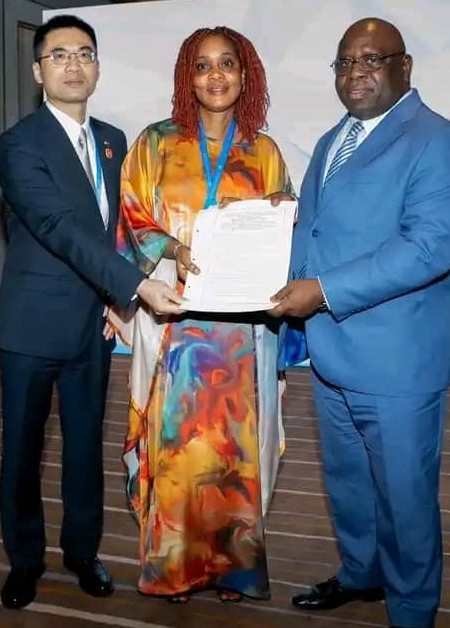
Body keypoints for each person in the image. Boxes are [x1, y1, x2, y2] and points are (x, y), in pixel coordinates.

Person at [270, 17, 450, 628]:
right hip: (333, 353)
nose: (355, 74)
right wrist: (280, 221)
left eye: (371, 60)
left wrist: (322, 292)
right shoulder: (332, 140)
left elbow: (429, 248)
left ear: (404, 68)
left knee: (405, 500)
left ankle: (413, 610)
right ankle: (361, 574)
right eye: (345, 62)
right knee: (349, 485)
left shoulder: (435, 140)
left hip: (397, 361)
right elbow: (321, 228)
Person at [0, 15, 183, 611]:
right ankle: (25, 561)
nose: (73, 65)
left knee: (84, 450)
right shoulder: (19, 145)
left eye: (84, 53)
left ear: (98, 67)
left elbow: (113, 230)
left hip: (93, 326)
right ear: (38, 70)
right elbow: (57, 227)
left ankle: (83, 554)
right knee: (22, 453)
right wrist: (136, 287)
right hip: (29, 326)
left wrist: (113, 296)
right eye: (58, 56)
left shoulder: (112, 140)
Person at [115, 26, 293, 603]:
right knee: (176, 451)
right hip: (175, 321)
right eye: (202, 66)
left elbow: (285, 235)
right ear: (186, 78)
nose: (216, 77)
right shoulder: (156, 143)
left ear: (247, 76)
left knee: (236, 451)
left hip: (242, 331)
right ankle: (172, 567)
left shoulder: (264, 151)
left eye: (227, 65)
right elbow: (133, 220)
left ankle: (234, 569)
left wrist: (281, 216)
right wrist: (173, 247)